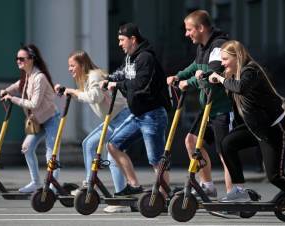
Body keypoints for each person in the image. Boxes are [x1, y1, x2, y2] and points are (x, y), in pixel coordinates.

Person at [209, 40, 285, 222]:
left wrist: (221, 79)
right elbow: (223, 83)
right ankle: (239, 190)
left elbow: (240, 87)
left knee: (275, 175)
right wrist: (201, 77)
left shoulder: (251, 71)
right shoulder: (234, 74)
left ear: (236, 57)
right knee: (227, 143)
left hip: (275, 129)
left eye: (224, 59)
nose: (222, 64)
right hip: (256, 128)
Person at [54, 50, 131, 213]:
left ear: (82, 65)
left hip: (122, 117)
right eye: (69, 66)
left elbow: (95, 97)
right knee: (88, 143)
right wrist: (66, 90)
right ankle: (91, 183)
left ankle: (121, 199)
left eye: (72, 65)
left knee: (112, 154)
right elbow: (87, 95)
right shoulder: (86, 79)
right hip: (112, 120)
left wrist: (74, 92)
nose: (70, 69)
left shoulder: (95, 76)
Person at [166, 9, 231, 198]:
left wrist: (189, 83)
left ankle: (234, 193)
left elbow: (212, 74)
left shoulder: (219, 46)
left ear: (201, 28)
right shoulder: (203, 47)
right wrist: (179, 76)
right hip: (208, 107)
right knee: (192, 141)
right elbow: (195, 67)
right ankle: (208, 185)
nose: (186, 34)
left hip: (223, 109)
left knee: (225, 153)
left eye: (189, 30)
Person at [105, 23, 171, 196]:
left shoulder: (145, 58)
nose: (119, 44)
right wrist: (106, 79)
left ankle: (164, 196)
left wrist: (118, 85)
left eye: (122, 40)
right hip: (138, 114)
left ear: (132, 39)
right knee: (113, 145)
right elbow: (122, 73)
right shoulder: (130, 58)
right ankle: (134, 185)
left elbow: (141, 85)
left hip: (152, 114)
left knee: (156, 160)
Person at [0, 44, 60, 193]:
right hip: (37, 120)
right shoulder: (27, 75)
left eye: (21, 58)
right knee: (26, 148)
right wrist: (6, 91)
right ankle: (35, 182)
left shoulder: (39, 77)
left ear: (31, 59)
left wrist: (12, 99)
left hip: (51, 117)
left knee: (51, 153)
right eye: (17, 58)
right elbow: (17, 86)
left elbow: (34, 103)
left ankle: (53, 186)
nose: (18, 61)